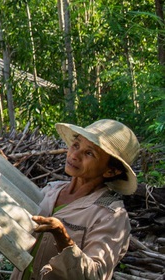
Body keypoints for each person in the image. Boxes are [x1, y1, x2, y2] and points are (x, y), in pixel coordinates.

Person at [11, 119, 140, 280]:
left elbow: (95, 275)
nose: (74, 155)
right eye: (76, 145)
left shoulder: (110, 216)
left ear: (111, 171)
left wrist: (63, 238)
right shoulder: (51, 190)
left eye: (89, 153)